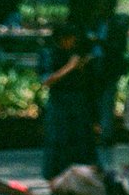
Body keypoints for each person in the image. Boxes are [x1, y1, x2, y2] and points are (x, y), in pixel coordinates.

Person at [39, 21, 99, 181]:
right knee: (58, 140)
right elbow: (46, 81)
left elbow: (90, 85)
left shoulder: (77, 53)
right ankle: (55, 177)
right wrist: (69, 67)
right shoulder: (49, 53)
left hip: (78, 102)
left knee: (81, 141)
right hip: (59, 102)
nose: (72, 43)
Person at [88, 0, 128, 169]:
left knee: (106, 103)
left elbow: (119, 47)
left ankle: (106, 137)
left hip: (109, 68)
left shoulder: (118, 24)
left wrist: (100, 41)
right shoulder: (95, 21)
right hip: (94, 67)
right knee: (95, 103)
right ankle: (95, 134)